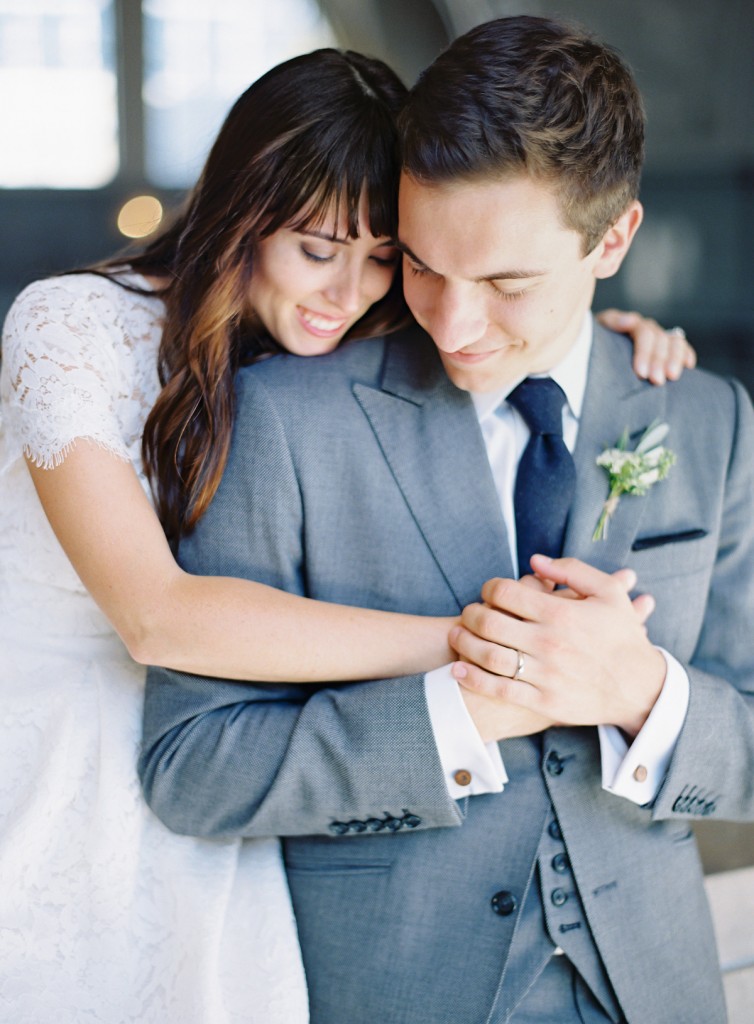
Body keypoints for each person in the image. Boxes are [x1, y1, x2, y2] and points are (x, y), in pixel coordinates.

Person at [0, 45, 685, 1023]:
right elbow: (157, 618)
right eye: (317, 250)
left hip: (223, 810)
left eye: (383, 258)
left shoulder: (333, 349)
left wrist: (612, 336)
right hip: (50, 785)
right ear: (242, 210)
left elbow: (514, 320)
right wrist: (492, 644)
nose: (347, 292)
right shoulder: (67, 325)